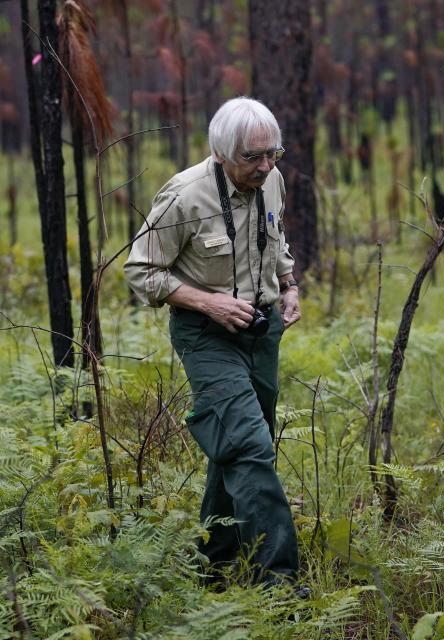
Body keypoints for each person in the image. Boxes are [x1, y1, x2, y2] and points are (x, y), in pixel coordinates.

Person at [124, 97, 302, 587]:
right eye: (252, 157)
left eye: (273, 154)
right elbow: (140, 271)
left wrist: (288, 286)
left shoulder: (272, 181)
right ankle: (279, 582)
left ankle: (214, 564)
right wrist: (208, 302)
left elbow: (277, 239)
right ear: (222, 153)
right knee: (248, 447)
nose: (265, 167)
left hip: (262, 332)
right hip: (206, 335)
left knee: (238, 445)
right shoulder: (184, 196)